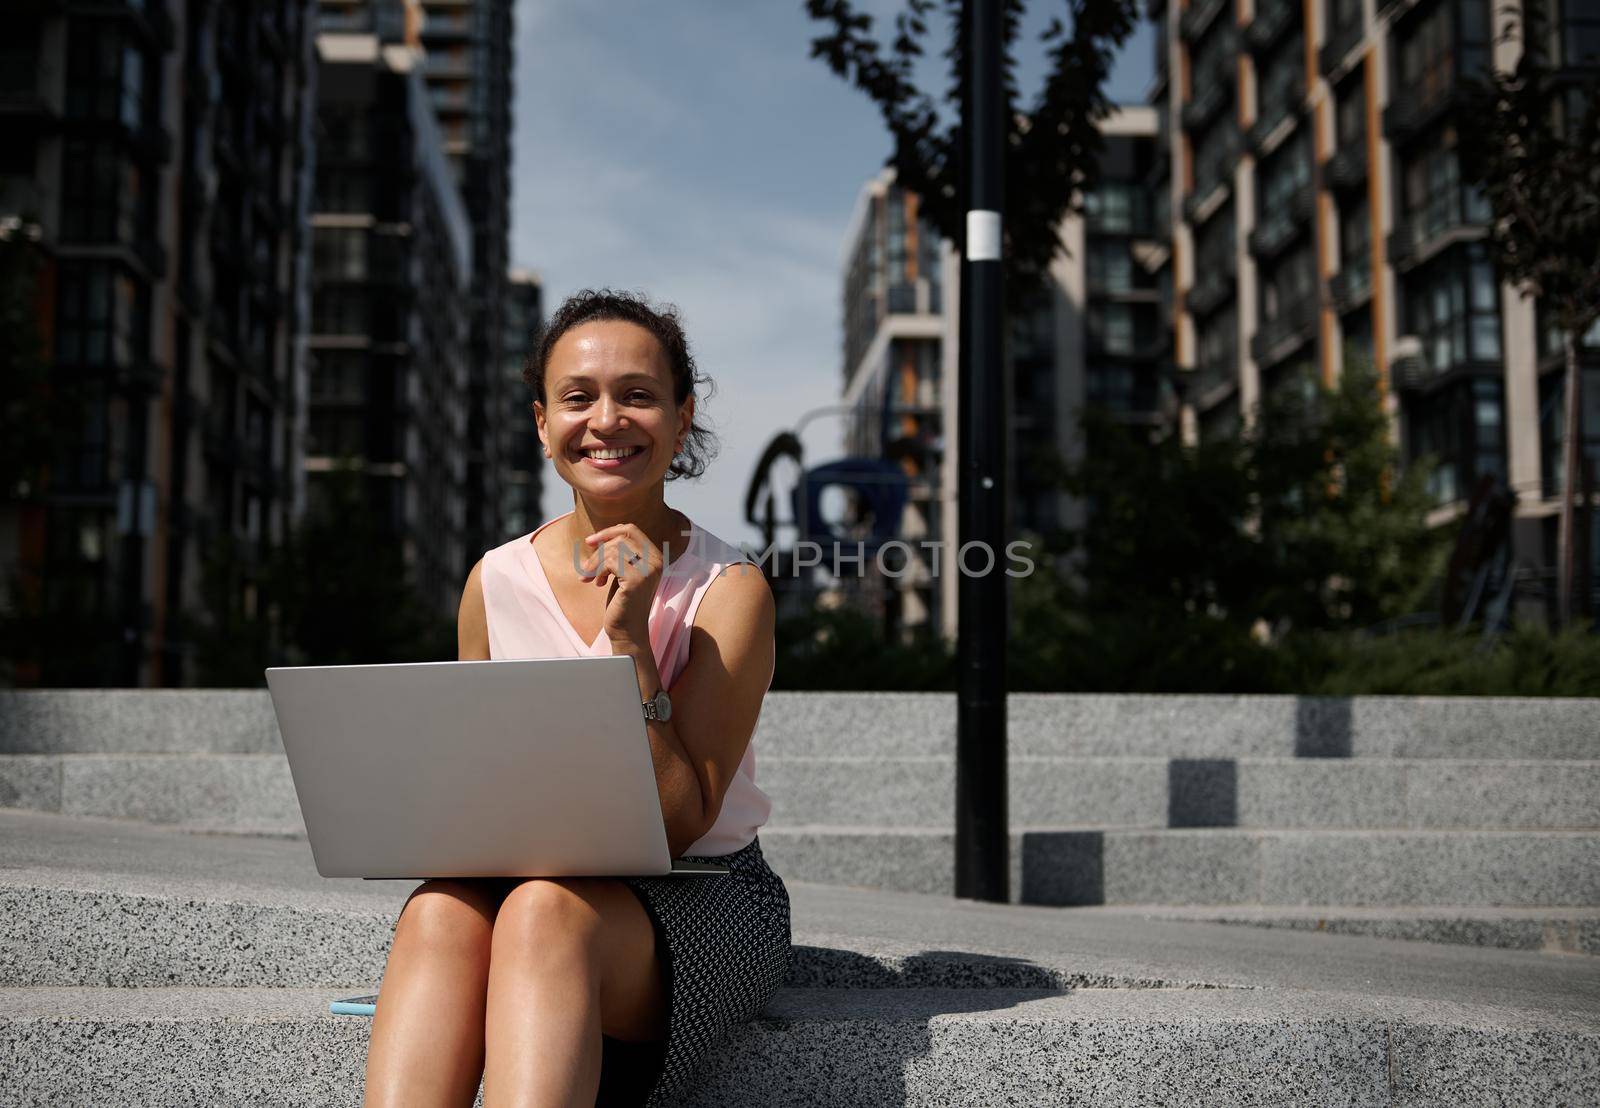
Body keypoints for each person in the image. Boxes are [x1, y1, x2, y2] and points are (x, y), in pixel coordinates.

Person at [361, 289, 790, 1107]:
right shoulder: (494, 580)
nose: (606, 420)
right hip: (536, 876)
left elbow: (681, 821)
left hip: (702, 888)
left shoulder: (729, 590)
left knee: (543, 912)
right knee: (439, 913)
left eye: (637, 394)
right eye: (578, 397)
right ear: (541, 422)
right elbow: (476, 791)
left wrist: (631, 645)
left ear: (680, 414)